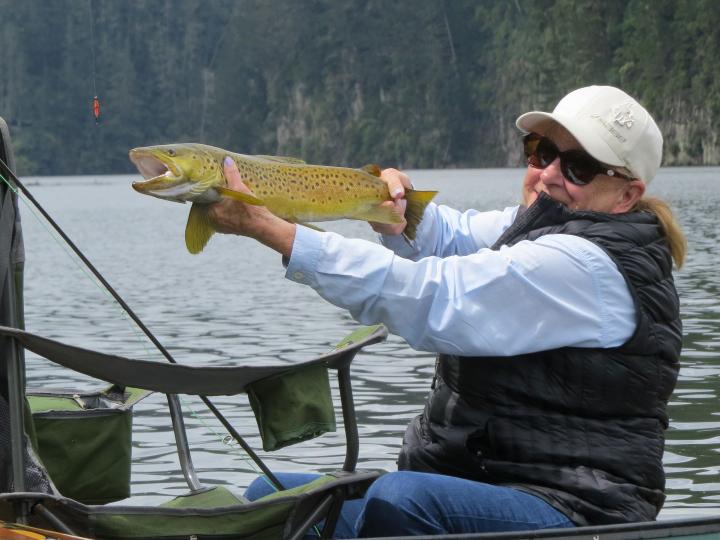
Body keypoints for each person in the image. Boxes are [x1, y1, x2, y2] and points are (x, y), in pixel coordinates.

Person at [208, 85, 685, 537]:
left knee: (402, 500)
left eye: (579, 167)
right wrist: (394, 207)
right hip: (480, 483)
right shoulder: (542, 226)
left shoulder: (585, 265)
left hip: (578, 510)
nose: (549, 174)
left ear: (626, 195)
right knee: (271, 498)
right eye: (542, 151)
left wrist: (277, 233)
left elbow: (435, 297)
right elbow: (453, 237)